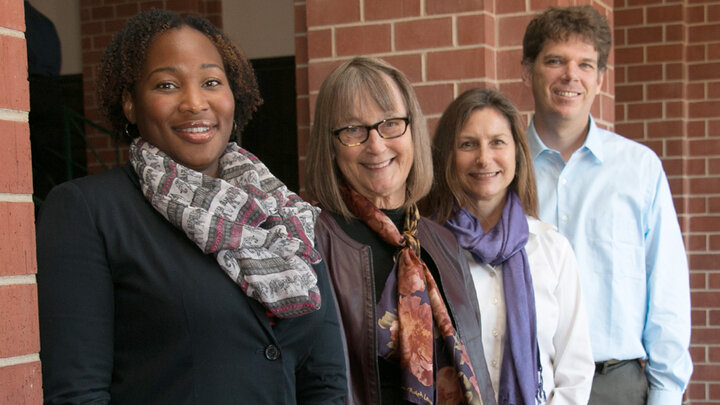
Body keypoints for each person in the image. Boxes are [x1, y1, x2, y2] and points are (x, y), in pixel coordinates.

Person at [36, 9, 346, 404]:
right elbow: (76, 394)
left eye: (211, 82)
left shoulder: (284, 214)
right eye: (167, 85)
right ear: (130, 104)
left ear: (234, 96)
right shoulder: (88, 211)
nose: (194, 102)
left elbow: (326, 382)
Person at [521, 6, 693, 404]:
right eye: (555, 61)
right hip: (526, 383)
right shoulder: (501, 171)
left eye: (585, 64)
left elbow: (666, 291)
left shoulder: (639, 169)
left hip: (616, 385)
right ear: (527, 71)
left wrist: (666, 395)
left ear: (599, 79)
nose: (571, 75)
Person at [305, 57, 496, 405]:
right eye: (353, 130)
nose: (376, 145)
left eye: (391, 123)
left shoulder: (443, 243)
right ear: (330, 146)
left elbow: (477, 370)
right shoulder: (311, 242)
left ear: (412, 130)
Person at [422, 88, 594, 405]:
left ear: (517, 151)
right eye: (467, 144)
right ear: (447, 155)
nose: (484, 158)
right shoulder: (426, 250)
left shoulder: (552, 249)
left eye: (497, 142)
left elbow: (575, 371)